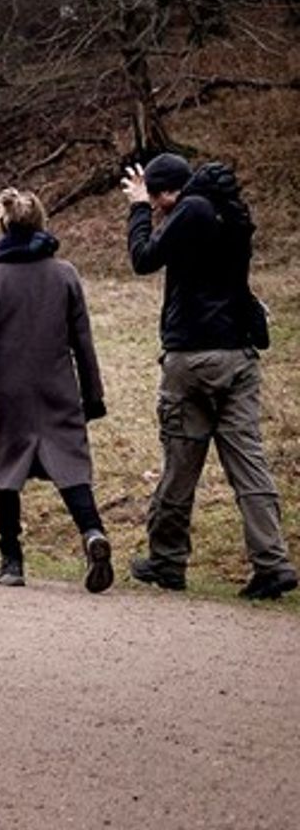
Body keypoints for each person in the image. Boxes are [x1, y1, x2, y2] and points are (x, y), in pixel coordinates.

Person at [121, 153, 291, 598]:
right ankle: (272, 563)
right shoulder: (230, 209)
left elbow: (143, 258)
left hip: (192, 359)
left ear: (171, 191)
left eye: (158, 199)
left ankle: (168, 560)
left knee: (180, 462)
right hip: (238, 355)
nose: (157, 208)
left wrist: (138, 208)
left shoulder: (191, 209)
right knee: (248, 463)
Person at [0, 188, 112, 591]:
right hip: (57, 390)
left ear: (2, 225)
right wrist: (94, 396)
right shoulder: (65, 275)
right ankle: (92, 533)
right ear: (41, 223)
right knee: (70, 467)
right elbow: (82, 340)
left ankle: (11, 561)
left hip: (5, 395)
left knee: (4, 471)